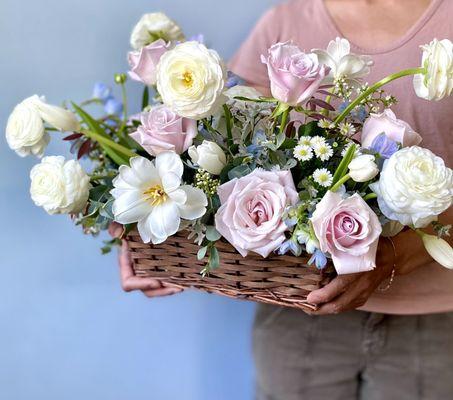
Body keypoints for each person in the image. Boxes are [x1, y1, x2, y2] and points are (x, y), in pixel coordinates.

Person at [113, 0, 453, 398]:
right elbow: (219, 151)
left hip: (432, 323)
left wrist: (389, 258)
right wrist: (151, 231)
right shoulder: (285, 24)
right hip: (299, 315)